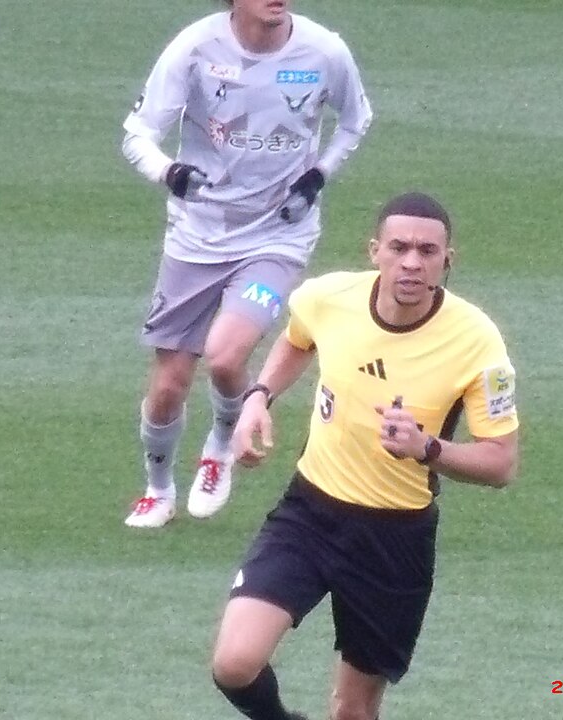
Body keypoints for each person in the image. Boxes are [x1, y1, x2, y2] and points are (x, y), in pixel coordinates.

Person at [210, 192, 520, 720]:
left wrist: (427, 448)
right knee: (234, 664)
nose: (412, 263)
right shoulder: (329, 297)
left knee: (353, 712)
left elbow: (501, 463)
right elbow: (297, 339)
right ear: (375, 250)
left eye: (428, 251)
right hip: (309, 514)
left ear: (449, 260)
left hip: (393, 540)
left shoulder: (478, 342)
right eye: (399, 248)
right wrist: (259, 397)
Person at [120, 0, 373, 528]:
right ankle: (158, 488)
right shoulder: (196, 48)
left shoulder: (324, 50)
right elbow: (138, 133)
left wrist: (319, 174)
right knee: (168, 384)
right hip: (196, 237)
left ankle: (219, 449)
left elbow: (355, 120)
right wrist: (170, 173)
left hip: (278, 237)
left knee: (226, 356)